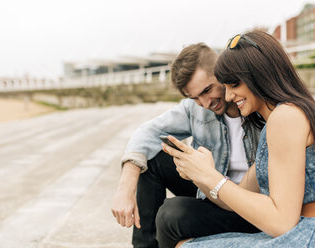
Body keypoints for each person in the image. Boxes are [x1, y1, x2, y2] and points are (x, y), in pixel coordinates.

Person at [162, 30, 315, 247]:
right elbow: (234, 199)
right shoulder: (283, 119)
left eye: (234, 85)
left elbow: (281, 221)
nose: (229, 96)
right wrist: (201, 175)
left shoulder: (286, 116)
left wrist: (211, 177)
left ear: (258, 75)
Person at [111, 43, 264, 248]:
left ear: (222, 71)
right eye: (195, 97)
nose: (206, 103)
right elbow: (147, 132)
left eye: (207, 90)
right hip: (212, 194)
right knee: (151, 157)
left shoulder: (260, 108)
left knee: (171, 214)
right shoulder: (196, 109)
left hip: (249, 207)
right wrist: (125, 187)